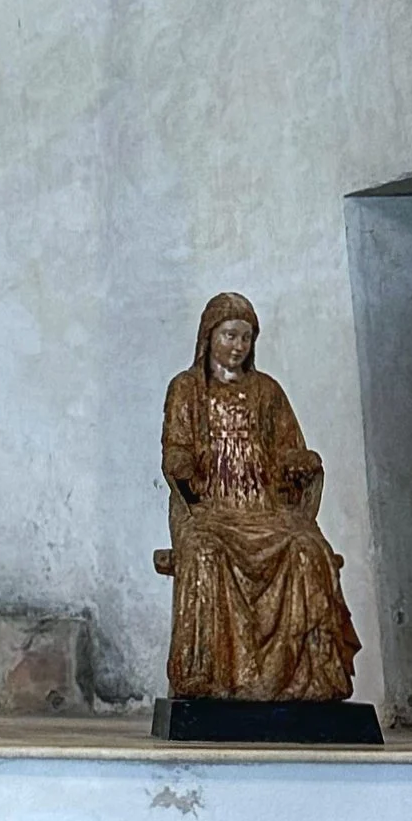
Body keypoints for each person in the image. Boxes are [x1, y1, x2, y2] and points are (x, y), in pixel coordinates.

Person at [158, 291, 360, 701]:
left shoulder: (268, 391)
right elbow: (175, 447)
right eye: (230, 335)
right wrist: (181, 464)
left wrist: (300, 459)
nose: (237, 346)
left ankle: (313, 679)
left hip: (265, 509)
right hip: (210, 509)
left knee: (307, 550)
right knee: (203, 553)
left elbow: (286, 447)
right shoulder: (187, 389)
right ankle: (204, 676)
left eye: (246, 337)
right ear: (209, 336)